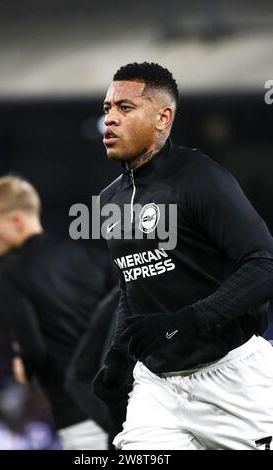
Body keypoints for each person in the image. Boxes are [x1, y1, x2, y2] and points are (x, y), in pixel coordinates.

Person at [93, 62, 273, 450]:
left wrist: (185, 321)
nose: (109, 119)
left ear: (163, 118)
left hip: (235, 377)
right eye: (107, 108)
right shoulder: (110, 200)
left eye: (125, 108)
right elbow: (133, 285)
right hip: (158, 387)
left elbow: (265, 265)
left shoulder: (200, 178)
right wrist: (119, 355)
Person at [0, 175, 114, 450]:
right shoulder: (90, 258)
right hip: (120, 404)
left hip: (75, 412)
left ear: (16, 220)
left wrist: (23, 362)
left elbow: (34, 351)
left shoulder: (10, 275)